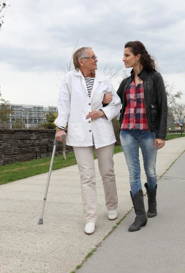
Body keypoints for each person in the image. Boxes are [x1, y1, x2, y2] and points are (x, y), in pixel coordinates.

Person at [54, 47, 121, 235]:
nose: (96, 60)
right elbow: (63, 103)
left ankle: (112, 206)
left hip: (102, 132)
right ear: (81, 61)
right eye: (92, 58)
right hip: (79, 133)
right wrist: (60, 126)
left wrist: (103, 111)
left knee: (107, 172)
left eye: (95, 57)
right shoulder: (69, 79)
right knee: (87, 177)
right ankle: (90, 217)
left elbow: (117, 103)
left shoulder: (104, 80)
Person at [117, 41, 168, 232]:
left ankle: (152, 204)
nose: (123, 59)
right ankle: (140, 215)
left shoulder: (154, 78)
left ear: (137, 56)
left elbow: (163, 107)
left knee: (151, 171)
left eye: (127, 55)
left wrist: (161, 135)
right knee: (133, 172)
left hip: (148, 132)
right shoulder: (125, 83)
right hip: (127, 132)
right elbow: (116, 104)